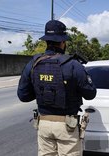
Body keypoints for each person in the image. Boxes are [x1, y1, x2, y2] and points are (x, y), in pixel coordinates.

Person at [17, 20, 97, 156]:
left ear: (46, 41)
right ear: (63, 42)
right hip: (67, 127)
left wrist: (42, 90)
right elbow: (90, 94)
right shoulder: (73, 65)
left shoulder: (33, 64)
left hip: (44, 125)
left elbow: (23, 96)